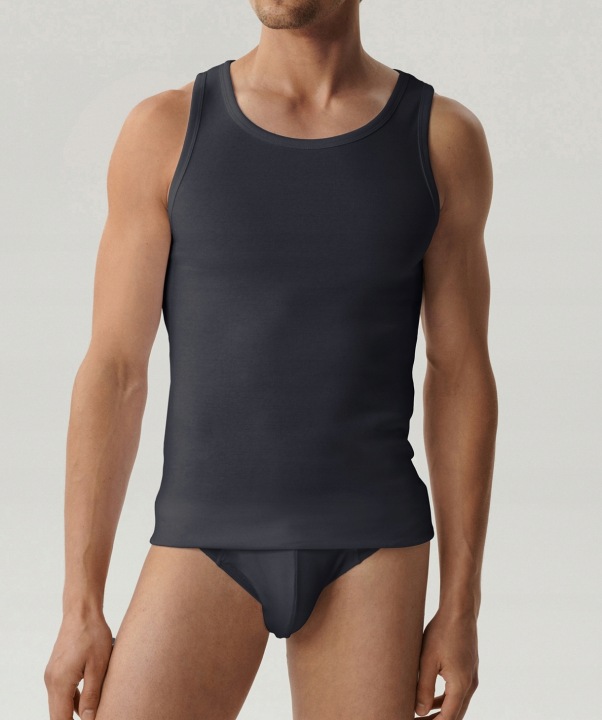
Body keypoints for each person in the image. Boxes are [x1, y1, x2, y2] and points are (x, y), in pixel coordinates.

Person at [44, 1, 497, 719]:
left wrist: (461, 606)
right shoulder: (166, 129)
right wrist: (80, 605)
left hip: (372, 546)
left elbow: (461, 372)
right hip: (205, 537)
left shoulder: (441, 139)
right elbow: (116, 371)